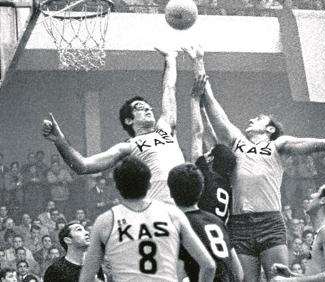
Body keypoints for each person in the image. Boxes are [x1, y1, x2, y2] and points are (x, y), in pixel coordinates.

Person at [182, 44, 325, 282]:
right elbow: (210, 101)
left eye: (257, 119)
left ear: (269, 129)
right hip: (239, 223)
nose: (250, 119)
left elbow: (324, 142)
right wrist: (198, 60)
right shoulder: (236, 141)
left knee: (278, 280)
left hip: (269, 221)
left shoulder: (278, 145)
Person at [42, 48, 184, 204]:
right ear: (129, 121)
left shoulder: (164, 129)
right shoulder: (127, 147)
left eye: (149, 107)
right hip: (159, 211)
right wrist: (60, 141)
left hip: (186, 205)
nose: (147, 109)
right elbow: (83, 166)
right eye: (139, 107)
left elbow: (169, 89)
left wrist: (171, 59)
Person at [79, 156, 216, 282]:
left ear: (117, 187)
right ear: (150, 184)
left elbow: (86, 279)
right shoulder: (172, 214)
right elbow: (208, 265)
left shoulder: (105, 221)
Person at [168, 163, 243, 281]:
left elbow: (177, 276)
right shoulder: (216, 221)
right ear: (201, 190)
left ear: (171, 192)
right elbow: (239, 273)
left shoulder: (179, 225)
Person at [271, 182, 325, 282]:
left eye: (317, 192)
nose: (312, 195)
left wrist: (291, 281)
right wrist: (291, 275)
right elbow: (321, 276)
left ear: (323, 200)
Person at [189, 75, 237, 224]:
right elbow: (210, 138)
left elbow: (198, 134)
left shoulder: (205, 175)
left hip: (202, 231)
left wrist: (194, 100)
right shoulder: (227, 184)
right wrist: (203, 109)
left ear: (211, 159)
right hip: (219, 232)